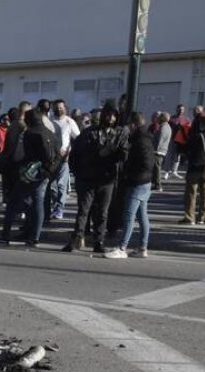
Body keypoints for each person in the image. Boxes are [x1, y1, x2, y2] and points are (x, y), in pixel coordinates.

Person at [64, 103, 127, 253]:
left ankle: (98, 241)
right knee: (83, 210)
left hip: (107, 179)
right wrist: (78, 173)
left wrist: (115, 152)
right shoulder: (89, 132)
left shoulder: (119, 133)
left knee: (102, 212)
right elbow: (75, 154)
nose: (110, 118)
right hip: (88, 177)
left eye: (114, 115)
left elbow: (124, 154)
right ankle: (76, 239)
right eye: (108, 114)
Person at [0, 108, 60, 247]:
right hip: (45, 174)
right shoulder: (50, 133)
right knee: (39, 203)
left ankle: (5, 235)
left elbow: (24, 154)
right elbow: (58, 155)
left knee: (13, 203)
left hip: (30, 173)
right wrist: (49, 170)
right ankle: (35, 237)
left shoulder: (30, 133)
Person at [107, 113, 156, 259]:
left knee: (129, 215)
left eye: (129, 124)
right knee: (142, 216)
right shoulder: (145, 139)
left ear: (134, 124)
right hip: (144, 182)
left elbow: (145, 163)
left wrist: (130, 173)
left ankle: (122, 247)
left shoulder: (140, 141)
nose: (128, 127)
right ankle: (142, 247)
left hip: (138, 182)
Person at [180, 114, 205, 225]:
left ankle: (190, 216)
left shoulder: (197, 136)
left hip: (195, 166)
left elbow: (188, 148)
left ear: (202, 124)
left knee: (191, 193)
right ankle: (202, 216)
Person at [50, 99, 81, 220]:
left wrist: (69, 150)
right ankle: (54, 205)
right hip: (51, 158)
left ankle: (59, 208)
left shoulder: (69, 121)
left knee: (61, 185)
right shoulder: (49, 121)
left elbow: (78, 138)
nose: (59, 109)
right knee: (51, 186)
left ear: (65, 108)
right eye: (56, 107)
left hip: (64, 158)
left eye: (61, 107)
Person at [163, 104, 189, 180]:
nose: (180, 111)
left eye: (182, 109)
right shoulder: (171, 119)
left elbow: (188, 128)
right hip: (172, 139)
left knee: (177, 156)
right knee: (169, 155)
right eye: (179, 109)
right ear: (176, 110)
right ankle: (166, 172)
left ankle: (174, 171)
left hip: (181, 140)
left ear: (184, 110)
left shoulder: (186, 119)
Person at [152, 112, 171, 191]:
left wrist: (154, 149)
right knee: (156, 168)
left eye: (159, 117)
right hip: (161, 150)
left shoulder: (163, 128)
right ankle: (156, 183)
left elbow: (160, 140)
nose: (158, 119)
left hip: (158, 151)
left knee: (157, 169)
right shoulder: (167, 127)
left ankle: (158, 185)